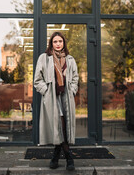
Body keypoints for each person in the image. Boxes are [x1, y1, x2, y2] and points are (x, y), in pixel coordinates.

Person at [34, 31, 79, 171]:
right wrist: (46, 91)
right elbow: (37, 79)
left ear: (64, 43)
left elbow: (75, 78)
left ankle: (55, 156)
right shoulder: (44, 58)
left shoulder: (70, 59)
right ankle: (69, 158)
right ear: (51, 43)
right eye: (55, 42)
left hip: (66, 97)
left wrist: (72, 90)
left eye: (60, 41)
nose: (58, 44)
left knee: (63, 126)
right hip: (52, 98)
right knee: (60, 126)